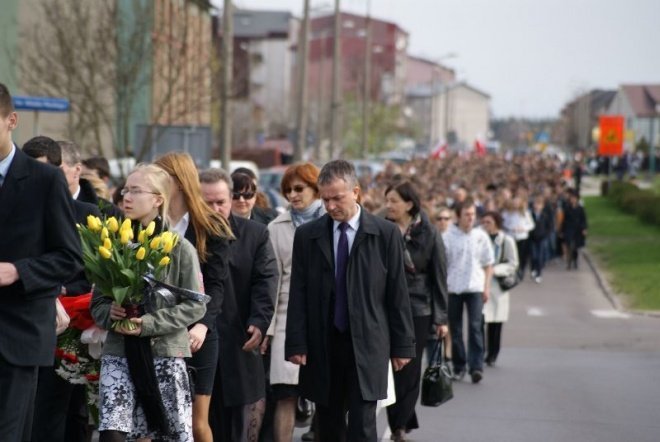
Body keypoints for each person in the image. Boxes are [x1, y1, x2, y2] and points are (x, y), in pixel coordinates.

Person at [285, 160, 416, 441]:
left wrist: (402, 344)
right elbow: (298, 292)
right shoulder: (308, 236)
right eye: (325, 199)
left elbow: (397, 294)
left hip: (367, 344)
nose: (330, 206)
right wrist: (296, 342)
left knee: (362, 424)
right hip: (324, 344)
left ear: (356, 192)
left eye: (337, 198)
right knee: (328, 424)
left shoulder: (384, 234)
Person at [90, 164, 206, 441]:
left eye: (136, 191)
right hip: (119, 352)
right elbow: (98, 304)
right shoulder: (113, 244)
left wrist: (148, 324)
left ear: (158, 199)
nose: (126, 197)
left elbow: (196, 304)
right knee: (113, 433)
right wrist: (111, 312)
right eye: (126, 189)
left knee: (171, 433)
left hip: (164, 353)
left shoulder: (178, 247)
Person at [0, 83, 83, 442]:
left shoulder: (44, 180)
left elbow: (69, 257)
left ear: (11, 120)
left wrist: (19, 270)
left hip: (16, 335)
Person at [23, 135, 99, 442]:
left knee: (61, 413)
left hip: (68, 327)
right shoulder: (13, 210)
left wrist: (59, 291)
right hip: (22, 325)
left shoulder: (87, 214)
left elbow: (89, 274)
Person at [154, 152, 233, 442]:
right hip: (157, 328)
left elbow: (216, 286)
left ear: (178, 181)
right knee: (157, 419)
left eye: (161, 175)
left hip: (197, 332)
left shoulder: (211, 225)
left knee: (196, 422)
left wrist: (203, 325)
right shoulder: (150, 221)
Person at [200, 168, 277, 442]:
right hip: (197, 341)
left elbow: (266, 280)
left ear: (230, 199)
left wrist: (260, 321)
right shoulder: (187, 235)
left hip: (239, 337)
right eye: (207, 203)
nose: (215, 209)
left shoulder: (255, 234)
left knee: (241, 425)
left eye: (220, 201)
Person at [264, 163, 325, 442]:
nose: (293, 195)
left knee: (329, 396)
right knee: (285, 394)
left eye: (299, 188)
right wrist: (269, 329)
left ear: (316, 189)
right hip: (288, 318)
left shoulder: (334, 220)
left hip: (326, 318)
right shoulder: (276, 228)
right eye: (287, 190)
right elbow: (272, 283)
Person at [384, 181, 448, 442]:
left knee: (409, 367)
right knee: (388, 368)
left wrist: (441, 318)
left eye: (394, 201)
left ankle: (399, 426)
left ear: (409, 204)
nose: (389, 205)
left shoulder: (429, 233)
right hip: (386, 307)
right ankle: (400, 419)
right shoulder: (381, 228)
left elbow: (439, 276)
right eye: (387, 200)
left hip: (418, 308)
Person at [442, 198, 494, 383]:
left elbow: (488, 264)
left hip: (475, 288)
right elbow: (442, 265)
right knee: (455, 329)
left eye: (473, 214)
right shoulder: (448, 236)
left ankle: (476, 366)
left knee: (475, 327)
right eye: (467, 215)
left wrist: (487, 287)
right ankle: (459, 366)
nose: (470, 218)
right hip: (454, 288)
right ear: (458, 216)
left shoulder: (480, 236)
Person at [480, 211, 519, 366]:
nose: (485, 225)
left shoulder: (506, 240)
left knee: (496, 322)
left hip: (497, 285)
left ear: (496, 222)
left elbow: (513, 263)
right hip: (481, 284)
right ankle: (480, 351)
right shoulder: (480, 238)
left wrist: (495, 270)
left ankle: (493, 353)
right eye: (484, 222)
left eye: (488, 221)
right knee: (480, 320)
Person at [58, 140, 123, 218]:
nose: (50, 175)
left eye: (57, 170)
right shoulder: (41, 206)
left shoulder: (108, 212)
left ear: (77, 170)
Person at [501, 196, 534, 280]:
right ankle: (512, 271)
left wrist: (523, 228)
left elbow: (531, 225)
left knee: (522, 255)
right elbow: (504, 223)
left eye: (517, 203)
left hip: (522, 237)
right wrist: (512, 228)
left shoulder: (525, 213)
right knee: (512, 255)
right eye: (514, 203)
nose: (516, 204)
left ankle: (521, 270)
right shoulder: (507, 213)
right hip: (511, 236)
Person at [529, 195, 554, 283]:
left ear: (542, 206)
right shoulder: (530, 215)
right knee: (533, 256)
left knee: (540, 256)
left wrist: (546, 235)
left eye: (539, 204)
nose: (537, 206)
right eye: (535, 204)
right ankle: (533, 268)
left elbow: (550, 226)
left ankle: (539, 274)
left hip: (542, 238)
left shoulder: (545, 215)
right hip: (532, 238)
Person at [561, 188, 587, 270]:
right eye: (571, 198)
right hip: (569, 228)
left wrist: (584, 228)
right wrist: (562, 230)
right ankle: (569, 262)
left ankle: (575, 260)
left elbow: (583, 219)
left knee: (575, 247)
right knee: (569, 245)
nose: (573, 200)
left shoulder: (580, 209)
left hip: (577, 230)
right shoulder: (567, 208)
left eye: (574, 198)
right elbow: (564, 220)